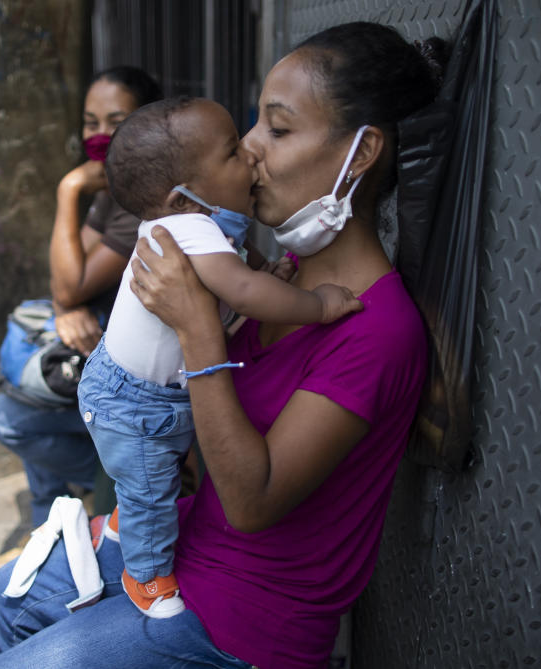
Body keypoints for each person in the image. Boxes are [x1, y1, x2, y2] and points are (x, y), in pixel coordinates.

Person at [0, 21, 445, 668]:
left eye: (278, 129)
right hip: (191, 543)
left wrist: (197, 327)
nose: (251, 148)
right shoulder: (274, 275)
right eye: (254, 123)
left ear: (361, 153)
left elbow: (252, 501)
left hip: (245, 618)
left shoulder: (378, 328)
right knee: (9, 595)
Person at [76, 95, 363, 618]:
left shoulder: (209, 224)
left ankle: (124, 516)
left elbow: (244, 274)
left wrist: (265, 275)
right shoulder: (190, 229)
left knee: (152, 476)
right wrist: (317, 305)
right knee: (152, 488)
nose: (250, 156)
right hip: (132, 402)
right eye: (232, 153)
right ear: (184, 197)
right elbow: (245, 293)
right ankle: (145, 577)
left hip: (143, 388)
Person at [0, 66, 162, 545]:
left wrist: (68, 190)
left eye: (116, 120)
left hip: (127, 372)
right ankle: (46, 527)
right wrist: (68, 305)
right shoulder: (112, 185)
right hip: (92, 341)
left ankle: (130, 480)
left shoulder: (139, 198)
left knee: (7, 416)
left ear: (145, 123)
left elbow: (69, 287)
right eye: (91, 122)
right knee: (24, 378)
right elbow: (65, 279)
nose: (100, 135)